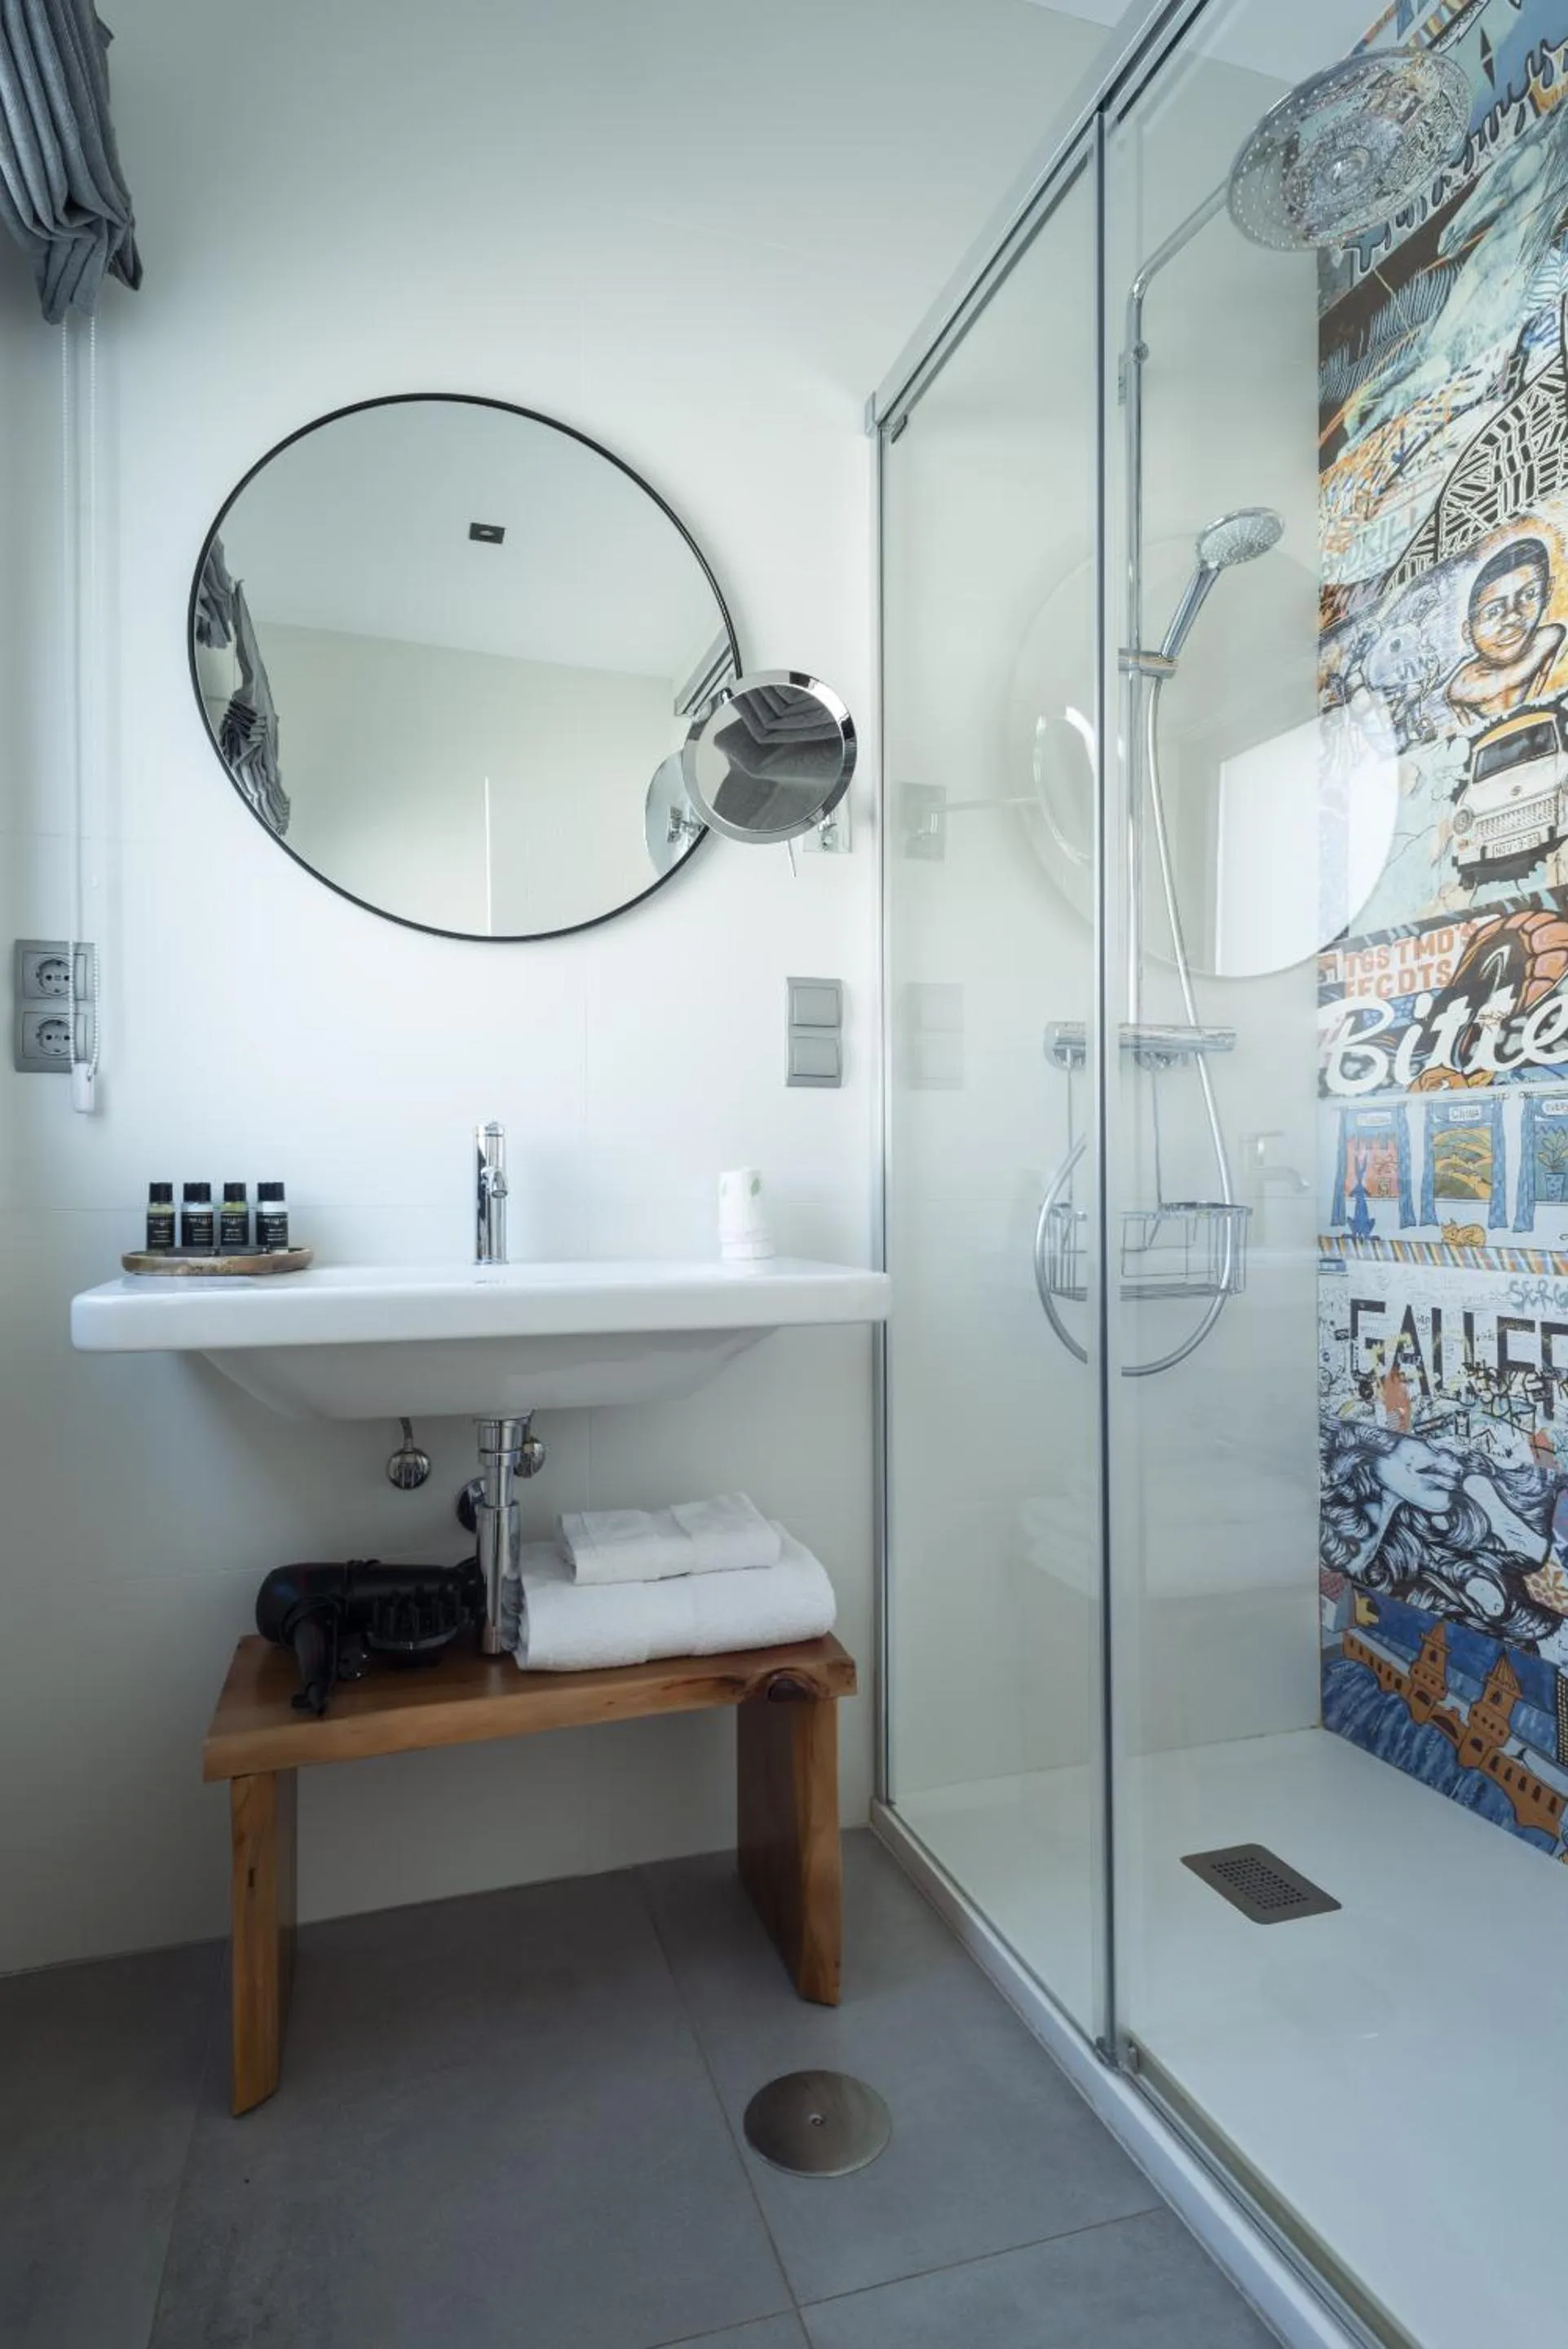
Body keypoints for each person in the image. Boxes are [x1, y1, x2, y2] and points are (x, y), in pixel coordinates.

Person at [1445, 535, 1565, 728]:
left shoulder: (1550, 637)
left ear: (1548, 592)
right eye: (1493, 611)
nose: (1513, 617)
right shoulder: (1463, 687)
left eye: (1529, 595)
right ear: (1468, 632)